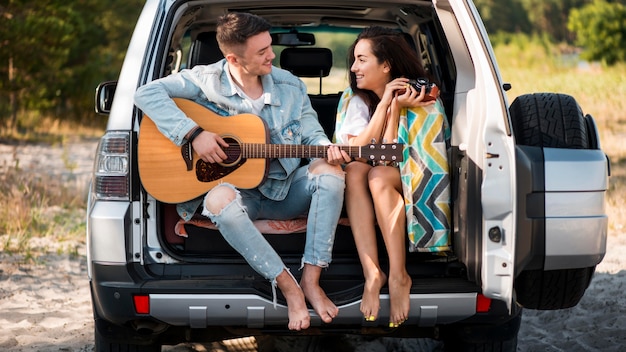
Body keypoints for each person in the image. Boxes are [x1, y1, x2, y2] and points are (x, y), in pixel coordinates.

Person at [134, 12, 351, 331]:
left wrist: (326, 148)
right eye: (262, 52)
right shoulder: (204, 80)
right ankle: (288, 287)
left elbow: (311, 133)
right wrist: (194, 134)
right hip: (237, 195)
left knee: (331, 174)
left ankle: (311, 279)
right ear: (233, 58)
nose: (272, 55)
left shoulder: (290, 86)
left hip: (284, 190)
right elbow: (144, 94)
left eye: (270, 46)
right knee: (220, 201)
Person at [334, 26, 449, 328]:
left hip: (413, 174)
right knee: (357, 170)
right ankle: (373, 273)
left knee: (379, 177)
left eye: (361, 60)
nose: (354, 68)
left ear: (386, 65)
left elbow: (396, 158)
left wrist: (397, 104)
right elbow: (355, 152)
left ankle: (399, 275)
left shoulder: (422, 96)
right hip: (381, 170)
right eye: (354, 60)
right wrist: (387, 103)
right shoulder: (355, 99)